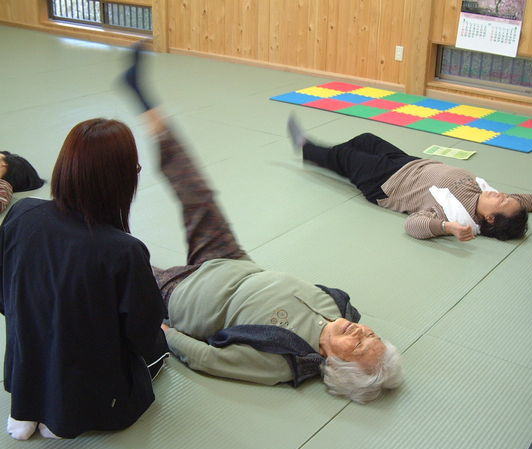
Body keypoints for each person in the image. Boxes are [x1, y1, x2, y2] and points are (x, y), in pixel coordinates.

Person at [122, 43, 402, 403]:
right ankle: (143, 99)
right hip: (230, 260)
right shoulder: (343, 308)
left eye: (359, 345)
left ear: (337, 364)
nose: (360, 332)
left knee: (118, 257)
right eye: (371, 334)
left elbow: (208, 359)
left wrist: (162, 330)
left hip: (182, 295)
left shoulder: (283, 363)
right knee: (196, 189)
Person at [1, 119, 169, 440]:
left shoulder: (22, 214)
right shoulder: (124, 250)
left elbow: (4, 295)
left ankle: (29, 408)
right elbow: (142, 335)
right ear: (121, 179)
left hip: (24, 372)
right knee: (160, 348)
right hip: (95, 399)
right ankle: (60, 414)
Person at [287, 116, 532, 242]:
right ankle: (335, 159)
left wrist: (446, 228)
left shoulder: (455, 215)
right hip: (410, 164)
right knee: (366, 139)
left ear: (490, 219)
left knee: (346, 156)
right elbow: (524, 200)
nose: (502, 195)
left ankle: (306, 148)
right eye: (506, 197)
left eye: (502, 202)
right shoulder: (486, 195)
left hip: (386, 183)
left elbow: (412, 225)